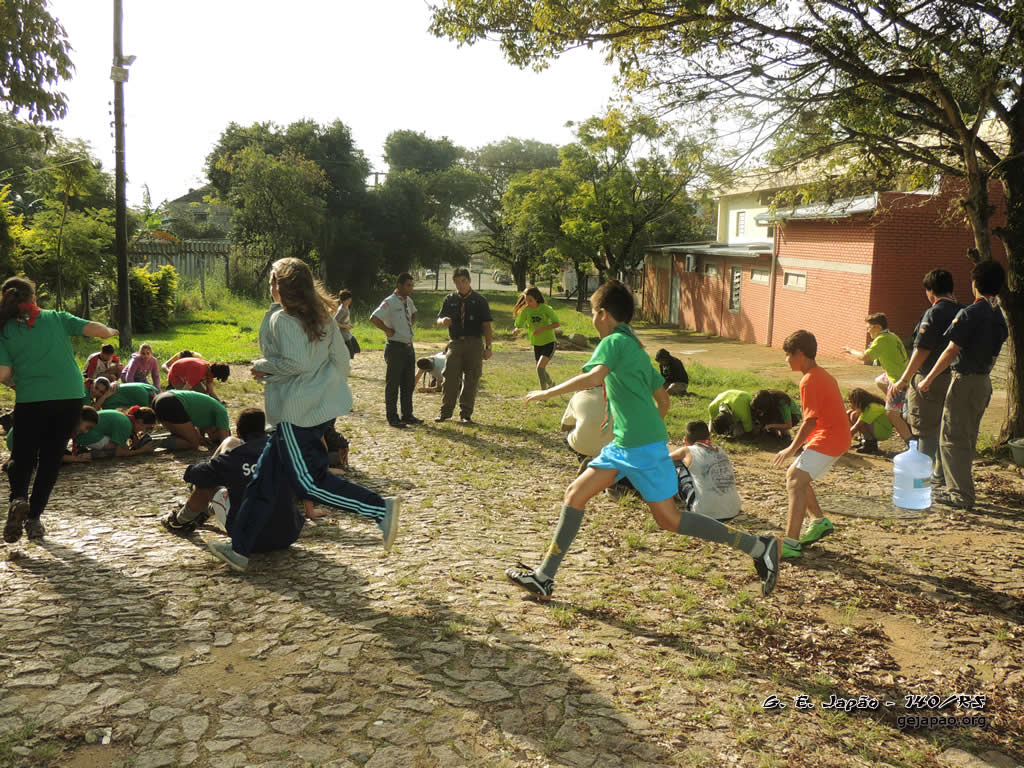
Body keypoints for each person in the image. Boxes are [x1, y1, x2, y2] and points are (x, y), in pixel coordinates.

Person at [505, 280, 780, 600]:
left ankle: (758, 546)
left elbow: (594, 377)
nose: (593, 319)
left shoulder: (612, 342)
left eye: (593, 313)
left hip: (637, 447)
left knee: (669, 519)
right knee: (578, 495)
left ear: (604, 314)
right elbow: (663, 401)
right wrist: (643, 428)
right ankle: (544, 577)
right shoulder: (635, 348)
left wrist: (546, 392)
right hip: (629, 445)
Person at [205, 257, 400, 572]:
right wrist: (320, 389)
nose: (270, 286)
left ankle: (380, 509)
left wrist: (264, 367)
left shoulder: (283, 319)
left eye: (272, 281)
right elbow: (341, 362)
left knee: (310, 483)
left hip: (295, 416)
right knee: (262, 483)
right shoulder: (323, 317)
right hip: (313, 411)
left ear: (279, 287)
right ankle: (239, 548)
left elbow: (295, 364)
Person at [0, 276, 119, 543]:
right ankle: (34, 519)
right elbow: (96, 330)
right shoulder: (55, 317)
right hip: (69, 397)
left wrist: (16, 384)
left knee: (23, 454)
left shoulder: (4, 329)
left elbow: (3, 373)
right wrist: (110, 331)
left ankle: (18, 498)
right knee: (51, 459)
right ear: (34, 297)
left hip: (32, 398)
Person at [919, 261, 1007, 510]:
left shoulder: (970, 312)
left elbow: (951, 350)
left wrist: (928, 378)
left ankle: (960, 494)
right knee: (967, 438)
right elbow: (993, 356)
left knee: (952, 439)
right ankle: (959, 488)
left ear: (975, 283)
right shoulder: (998, 316)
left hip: (964, 380)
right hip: (983, 382)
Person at [161, 408, 306, 550]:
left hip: (251, 541)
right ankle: (208, 509)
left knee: (206, 485)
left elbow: (192, 475)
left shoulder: (235, 458)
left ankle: (179, 521)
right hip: (288, 534)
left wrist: (220, 467)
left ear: (238, 432)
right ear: (263, 430)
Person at [771, 330, 851, 559]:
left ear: (800, 353)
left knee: (794, 480)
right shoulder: (822, 374)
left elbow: (810, 421)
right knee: (798, 476)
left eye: (789, 354)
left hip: (830, 438)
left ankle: (791, 543)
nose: (786, 359)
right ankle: (818, 521)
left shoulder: (809, 380)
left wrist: (791, 448)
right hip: (835, 436)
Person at [891, 269, 962, 485]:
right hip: (954, 378)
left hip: (929, 379)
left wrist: (904, 379)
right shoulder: (963, 311)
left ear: (930, 291)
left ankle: (920, 482)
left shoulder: (934, 313)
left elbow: (922, 349)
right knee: (945, 429)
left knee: (926, 431)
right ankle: (940, 476)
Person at [841, 313, 911, 443]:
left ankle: (910, 441)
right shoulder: (891, 335)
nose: (868, 331)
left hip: (897, 380)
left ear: (878, 327)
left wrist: (850, 350)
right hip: (899, 374)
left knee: (891, 414)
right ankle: (899, 406)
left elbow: (864, 357)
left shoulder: (881, 340)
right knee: (879, 381)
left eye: (869, 328)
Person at [435, 267, 493, 423]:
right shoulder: (450, 299)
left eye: (463, 281)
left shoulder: (480, 300)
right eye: (457, 282)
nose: (460, 285)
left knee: (471, 379)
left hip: (474, 343)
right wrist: (443, 321)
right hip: (455, 343)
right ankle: (445, 412)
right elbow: (439, 319)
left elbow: (487, 326)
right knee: (450, 377)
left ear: (469, 281)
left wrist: (488, 347)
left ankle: (466, 414)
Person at [370, 272, 420, 428]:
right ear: (399, 285)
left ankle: (407, 415)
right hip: (395, 347)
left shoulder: (408, 301)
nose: (411, 288)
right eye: (408, 285)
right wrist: (387, 330)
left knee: (408, 383)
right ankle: (392, 417)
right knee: (393, 384)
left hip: (408, 347)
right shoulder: (389, 302)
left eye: (412, 285)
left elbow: (414, 313)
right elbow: (374, 318)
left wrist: (408, 325)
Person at [669, 420, 741, 522]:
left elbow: (663, 460)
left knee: (674, 462)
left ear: (686, 441)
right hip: (734, 509)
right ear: (709, 437)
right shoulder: (721, 450)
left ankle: (667, 497)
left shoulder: (686, 451)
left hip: (704, 512)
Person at [65, 405, 158, 461]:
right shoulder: (127, 425)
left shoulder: (126, 418)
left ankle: (83, 449)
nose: (144, 431)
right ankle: (90, 455)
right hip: (85, 435)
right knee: (115, 448)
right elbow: (119, 453)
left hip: (85, 433)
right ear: (140, 422)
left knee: (123, 447)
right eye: (147, 428)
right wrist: (142, 450)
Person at [513, 286, 561, 390]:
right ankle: (551, 384)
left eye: (530, 300)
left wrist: (542, 328)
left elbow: (557, 323)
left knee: (540, 368)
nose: (528, 303)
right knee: (540, 369)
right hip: (537, 344)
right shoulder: (526, 311)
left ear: (536, 298)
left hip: (549, 342)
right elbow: (519, 324)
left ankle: (543, 393)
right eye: (526, 300)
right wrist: (516, 329)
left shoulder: (545, 309)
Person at [151, 389, 231, 450]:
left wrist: (202, 439)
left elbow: (196, 432)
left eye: (208, 434)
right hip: (172, 402)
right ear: (219, 428)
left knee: (180, 437)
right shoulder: (222, 413)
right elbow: (225, 442)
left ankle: (150, 440)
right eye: (213, 432)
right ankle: (153, 443)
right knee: (193, 443)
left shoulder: (207, 417)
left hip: (160, 398)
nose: (209, 432)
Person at [560, 386, 614, 470]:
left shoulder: (578, 396)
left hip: (583, 447)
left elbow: (564, 427)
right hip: (615, 447)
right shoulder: (622, 395)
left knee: (566, 434)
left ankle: (585, 458)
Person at [846, 387, 893, 454]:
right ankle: (864, 440)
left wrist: (844, 440)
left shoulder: (872, 407)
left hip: (883, 431)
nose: (850, 404)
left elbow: (857, 426)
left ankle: (870, 444)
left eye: (851, 402)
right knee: (849, 413)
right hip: (876, 427)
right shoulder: (869, 406)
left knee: (856, 417)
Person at [334, 289, 360, 360]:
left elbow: (344, 320)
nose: (350, 300)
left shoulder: (346, 307)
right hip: (343, 336)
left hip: (348, 334)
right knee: (349, 354)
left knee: (356, 349)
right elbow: (334, 322)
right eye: (349, 299)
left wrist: (349, 325)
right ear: (345, 300)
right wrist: (345, 326)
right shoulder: (342, 310)